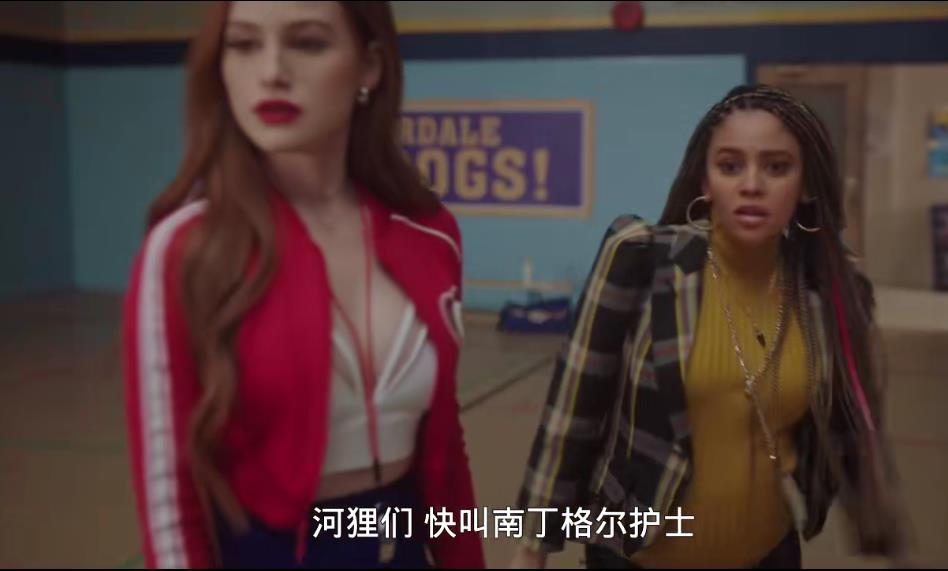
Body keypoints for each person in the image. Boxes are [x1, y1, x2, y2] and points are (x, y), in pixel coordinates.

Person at [121, 1, 485, 568]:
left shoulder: (431, 234)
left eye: (307, 43)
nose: (271, 71)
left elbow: (445, 450)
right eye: (243, 44)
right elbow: (171, 499)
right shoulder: (186, 250)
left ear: (370, 66)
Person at [511, 85, 908, 569]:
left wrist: (878, 527)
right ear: (705, 180)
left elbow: (849, 427)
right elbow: (572, 412)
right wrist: (531, 548)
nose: (752, 184)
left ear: (806, 185)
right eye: (730, 165)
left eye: (777, 167)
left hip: (769, 556)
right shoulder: (641, 258)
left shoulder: (829, 289)